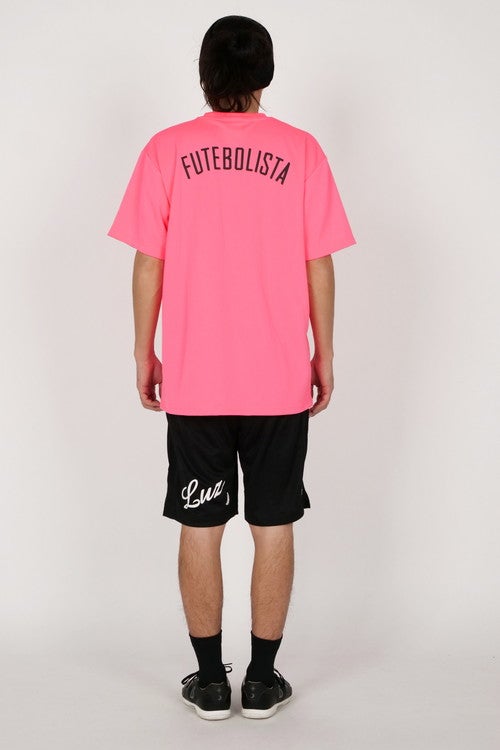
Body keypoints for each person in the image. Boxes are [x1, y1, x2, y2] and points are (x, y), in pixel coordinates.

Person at [107, 14, 356, 721]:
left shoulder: (167, 150)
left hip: (197, 379)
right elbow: (318, 261)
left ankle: (212, 681)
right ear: (265, 73)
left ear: (204, 72)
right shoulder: (301, 151)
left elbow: (148, 260)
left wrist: (144, 350)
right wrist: (323, 352)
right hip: (278, 379)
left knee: (201, 524)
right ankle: (263, 681)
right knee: (273, 523)